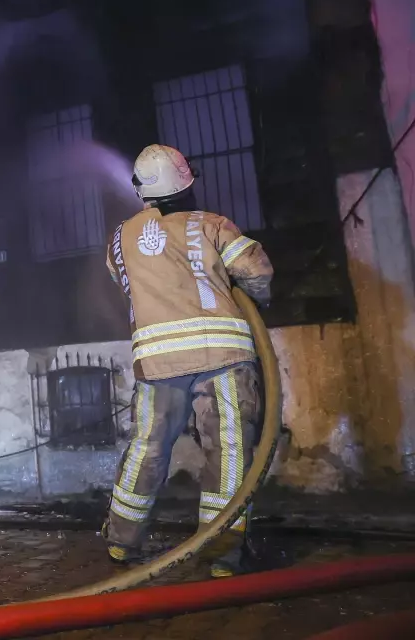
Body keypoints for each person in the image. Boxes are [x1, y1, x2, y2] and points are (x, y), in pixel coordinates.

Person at [103, 144, 274, 578]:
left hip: (157, 363)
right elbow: (257, 272)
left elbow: (129, 283)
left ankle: (122, 542)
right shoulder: (213, 225)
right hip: (223, 355)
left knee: (147, 447)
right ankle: (223, 556)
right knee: (230, 451)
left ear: (142, 190)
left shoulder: (119, 239)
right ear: (188, 182)